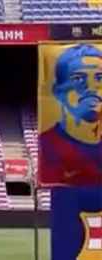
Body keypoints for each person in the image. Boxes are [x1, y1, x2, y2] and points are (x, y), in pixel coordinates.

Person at [39, 44, 102, 186]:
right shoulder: (48, 146)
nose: (92, 88)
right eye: (79, 79)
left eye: (99, 78)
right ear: (58, 92)